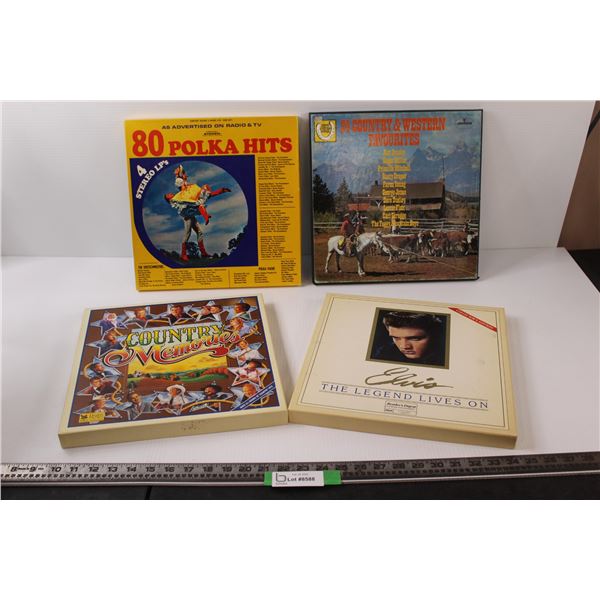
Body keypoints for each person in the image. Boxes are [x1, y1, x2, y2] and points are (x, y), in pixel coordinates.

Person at [164, 165, 231, 261]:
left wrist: (220, 191)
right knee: (187, 234)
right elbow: (180, 183)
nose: (170, 194)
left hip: (191, 213)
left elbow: (207, 195)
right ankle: (183, 254)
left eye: (169, 193)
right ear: (169, 199)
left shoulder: (186, 192)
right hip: (187, 216)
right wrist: (180, 175)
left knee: (200, 232)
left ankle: (203, 253)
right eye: (168, 195)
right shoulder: (177, 198)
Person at [373, 312, 447, 367]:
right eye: (396, 338)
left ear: (434, 335)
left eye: (415, 338)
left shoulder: (446, 357)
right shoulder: (383, 354)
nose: (404, 346)